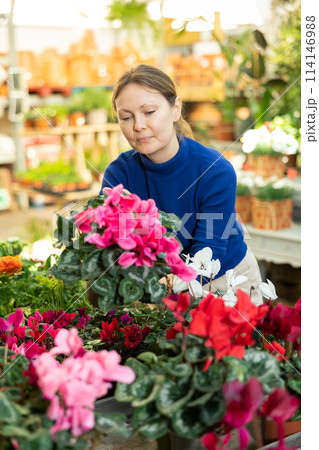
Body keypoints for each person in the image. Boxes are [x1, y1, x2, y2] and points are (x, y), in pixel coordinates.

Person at [100, 64, 263, 305]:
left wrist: (166, 283)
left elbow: (209, 249)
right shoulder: (119, 174)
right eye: (126, 117)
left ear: (176, 109)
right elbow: (112, 241)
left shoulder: (215, 169)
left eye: (149, 112)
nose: (138, 125)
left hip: (225, 278)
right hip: (158, 283)